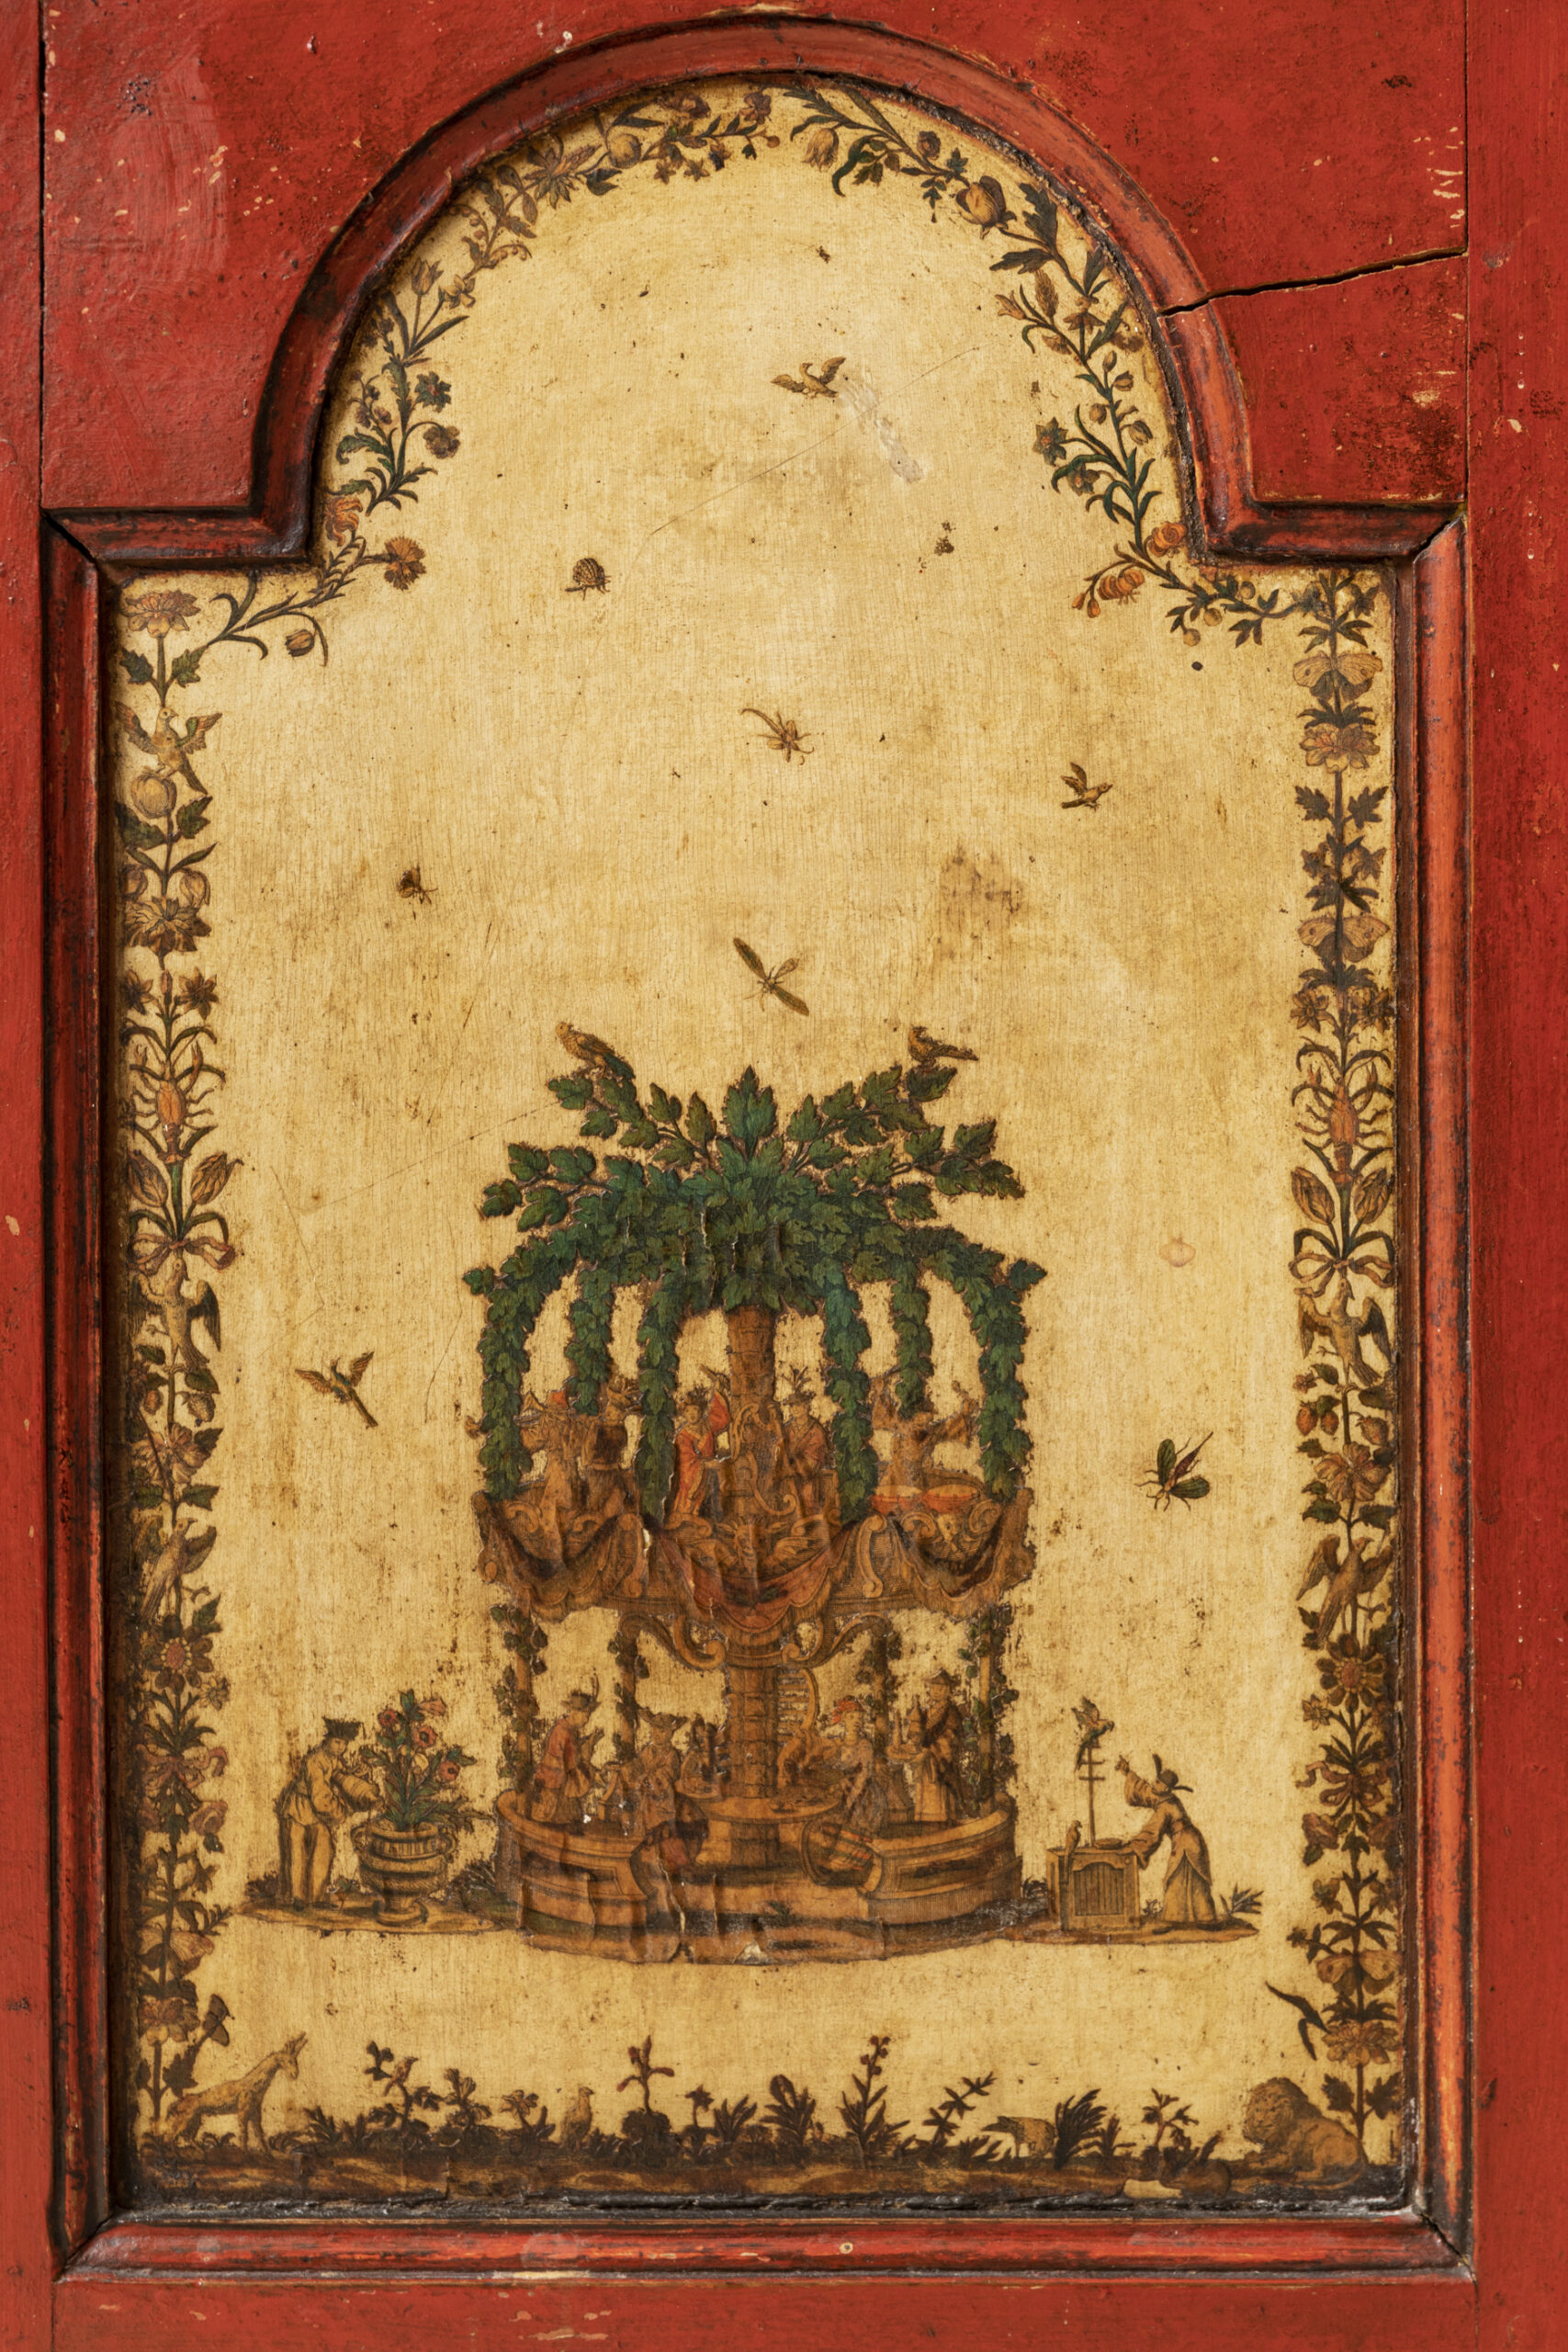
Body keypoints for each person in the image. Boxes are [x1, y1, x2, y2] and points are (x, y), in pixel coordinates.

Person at [276, 1719, 378, 1909]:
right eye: (337, 1742)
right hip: (299, 1807)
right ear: (327, 1740)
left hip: (315, 1812)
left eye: (344, 1743)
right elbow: (321, 1798)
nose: (341, 1747)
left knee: (324, 1848)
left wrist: (356, 1775)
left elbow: (340, 1775)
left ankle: (316, 1897)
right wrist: (343, 1812)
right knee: (297, 1851)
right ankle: (297, 1897)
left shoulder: (333, 1758)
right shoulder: (315, 1760)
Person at [1113, 1754, 1219, 1928]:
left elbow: (1152, 1832)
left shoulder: (1166, 1806)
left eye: (1157, 1783)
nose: (1153, 1784)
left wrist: (1134, 1846)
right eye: (1155, 1781)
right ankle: (1196, 1918)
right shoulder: (1164, 1797)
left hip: (1187, 1844)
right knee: (1184, 1878)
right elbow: (1146, 1792)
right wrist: (1128, 1773)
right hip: (1187, 1842)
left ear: (1166, 1788)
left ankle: (1195, 1919)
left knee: (1178, 1878)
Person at [893, 1668, 966, 1824]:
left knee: (940, 1794)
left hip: (939, 1760)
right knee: (924, 1790)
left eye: (941, 1688)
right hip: (925, 1760)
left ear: (948, 1691)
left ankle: (943, 1820)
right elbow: (916, 1733)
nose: (936, 1691)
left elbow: (950, 1737)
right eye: (934, 1688)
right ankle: (925, 1818)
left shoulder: (951, 1712)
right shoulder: (926, 1712)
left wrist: (932, 1751)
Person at [527, 1685, 603, 1826]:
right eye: (585, 1715)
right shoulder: (564, 1732)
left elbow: (575, 1756)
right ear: (574, 1712)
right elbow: (572, 1765)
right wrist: (593, 1774)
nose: (587, 1719)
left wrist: (590, 1741)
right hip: (554, 1791)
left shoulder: (567, 1729)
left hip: (558, 1785)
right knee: (568, 1823)